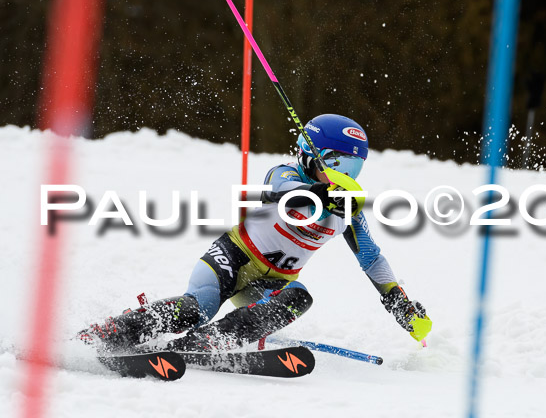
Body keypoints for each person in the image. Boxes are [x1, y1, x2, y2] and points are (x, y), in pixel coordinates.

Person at [79, 114, 432, 352]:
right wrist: (324, 196)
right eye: (337, 163)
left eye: (354, 166)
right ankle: (108, 333)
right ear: (311, 155)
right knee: (196, 309)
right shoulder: (285, 174)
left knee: (299, 298)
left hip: (271, 282)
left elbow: (371, 258)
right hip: (231, 259)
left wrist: (397, 302)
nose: (346, 175)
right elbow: (284, 196)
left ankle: (210, 342)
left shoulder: (348, 210)